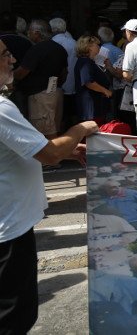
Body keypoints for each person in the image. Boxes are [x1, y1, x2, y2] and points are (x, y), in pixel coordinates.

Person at [0, 37, 98, 334]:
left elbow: (30, 149)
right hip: (10, 230)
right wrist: (81, 128)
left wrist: (67, 149)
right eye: (4, 55)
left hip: (12, 224)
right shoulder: (1, 109)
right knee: (14, 318)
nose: (12, 60)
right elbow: (49, 153)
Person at [13, 19, 68, 138]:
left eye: (30, 31)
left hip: (40, 96)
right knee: (54, 129)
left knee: (44, 134)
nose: (28, 34)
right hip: (56, 92)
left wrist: (7, 74)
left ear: (37, 33)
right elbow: (65, 72)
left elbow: (21, 73)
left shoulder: (37, 49)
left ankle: (53, 156)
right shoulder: (59, 48)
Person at [74, 35, 113, 123]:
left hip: (96, 106)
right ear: (89, 47)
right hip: (90, 108)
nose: (99, 47)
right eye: (97, 45)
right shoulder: (85, 62)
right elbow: (89, 82)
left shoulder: (90, 62)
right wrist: (105, 91)